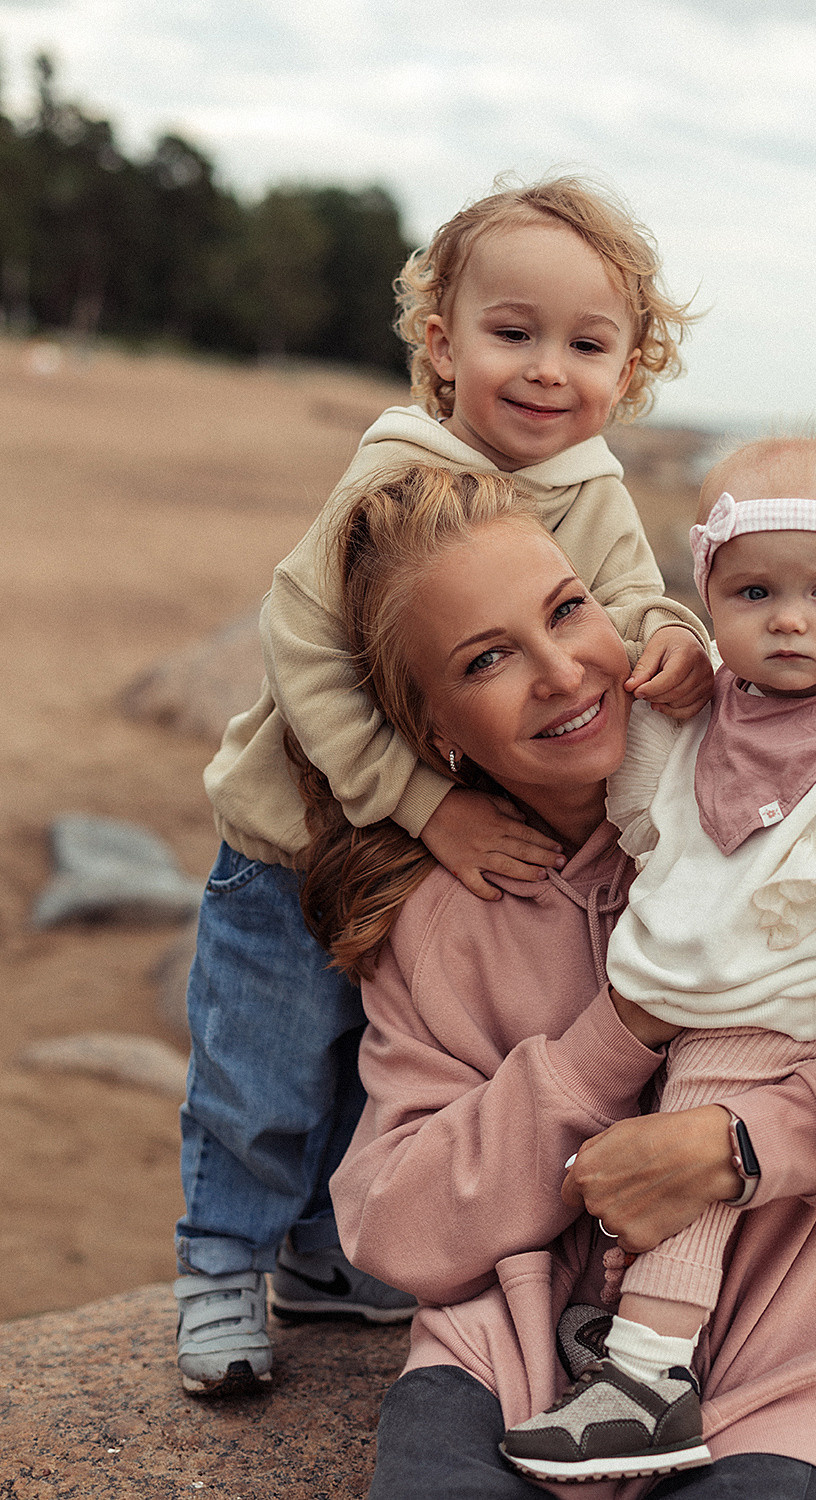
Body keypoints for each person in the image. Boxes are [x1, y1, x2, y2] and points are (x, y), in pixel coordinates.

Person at [289, 462, 816, 1498]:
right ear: (436, 728)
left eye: (568, 611)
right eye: (487, 659)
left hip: (788, 1361)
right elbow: (396, 1221)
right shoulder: (439, 919)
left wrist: (733, 1147)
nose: (564, 672)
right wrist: (619, 1031)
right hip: (512, 1358)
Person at [174, 174, 714, 1393]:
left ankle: (320, 1254)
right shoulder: (394, 474)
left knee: (379, 1058)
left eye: (585, 344)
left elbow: (626, 603)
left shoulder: (590, 488)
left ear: (628, 370)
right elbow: (302, 651)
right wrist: (425, 803)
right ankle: (218, 1261)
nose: (544, 370)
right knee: (262, 1070)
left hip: (410, 862)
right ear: (440, 342)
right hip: (290, 845)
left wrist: (670, 634)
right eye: (510, 333)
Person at [502, 435, 816, 1483]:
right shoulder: (717, 711)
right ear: (710, 596)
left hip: (785, 1013)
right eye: (752, 590)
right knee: (657, 1159)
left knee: (690, 1181)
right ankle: (639, 1328)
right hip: (704, 998)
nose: (787, 617)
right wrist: (667, 666)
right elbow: (649, 797)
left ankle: (647, 1376)